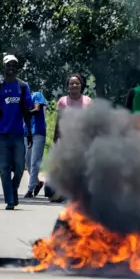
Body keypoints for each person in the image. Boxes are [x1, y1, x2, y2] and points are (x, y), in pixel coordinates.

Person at [0, 55, 33, 210]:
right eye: (8, 65)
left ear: (16, 67)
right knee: (4, 169)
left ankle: (13, 190)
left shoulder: (23, 86)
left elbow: (27, 109)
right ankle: (10, 200)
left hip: (18, 134)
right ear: (4, 67)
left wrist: (30, 132)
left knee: (20, 167)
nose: (11, 68)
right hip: (1, 135)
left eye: (13, 65)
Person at [45, 73, 93, 201]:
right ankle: (63, 193)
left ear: (81, 85)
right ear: (68, 86)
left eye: (77, 83)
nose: (74, 85)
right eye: (72, 83)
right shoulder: (62, 101)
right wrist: (55, 138)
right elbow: (59, 120)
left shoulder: (88, 101)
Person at [23, 91, 48, 198]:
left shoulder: (37, 95)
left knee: (34, 162)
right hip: (26, 133)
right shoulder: (20, 99)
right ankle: (37, 183)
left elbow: (37, 109)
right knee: (27, 162)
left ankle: (30, 189)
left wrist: (26, 112)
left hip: (38, 132)